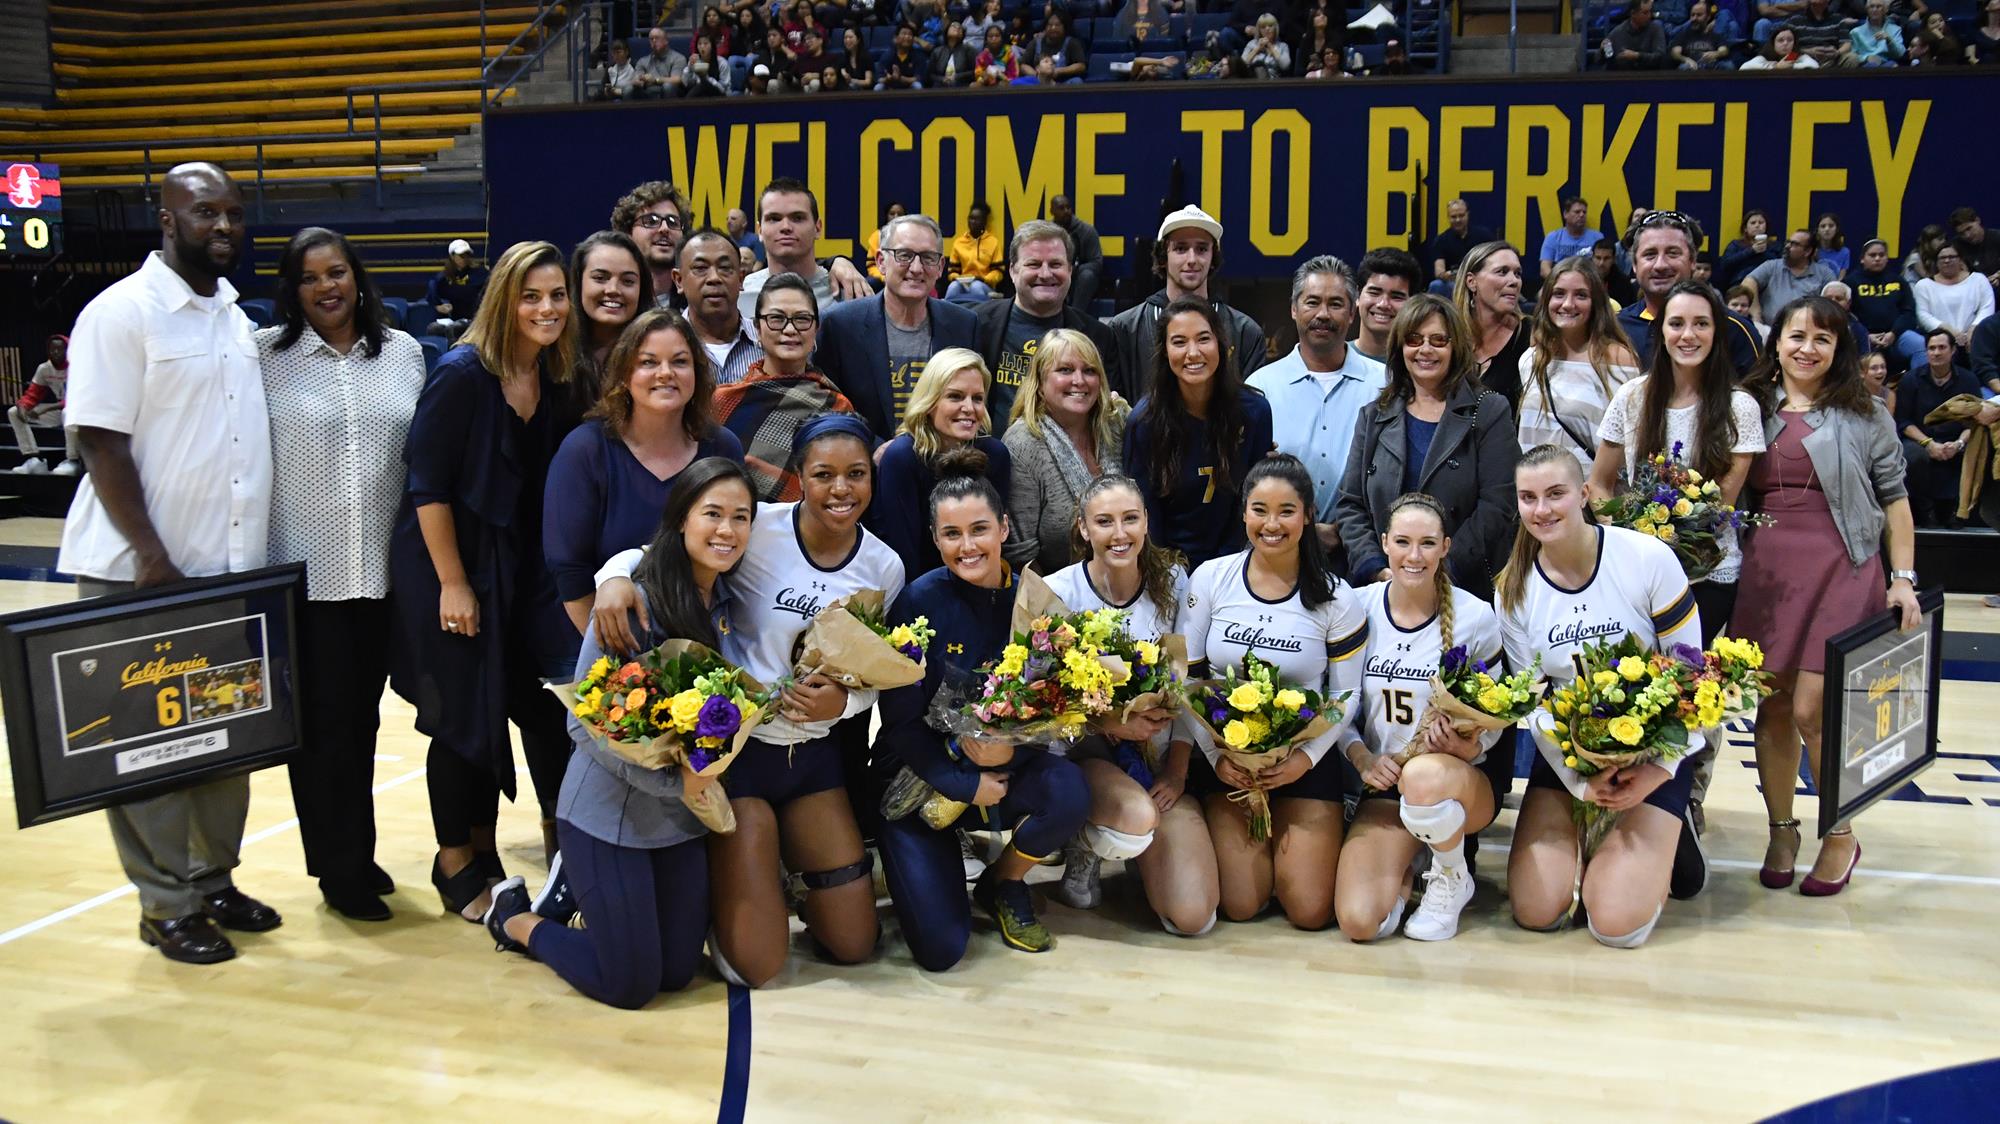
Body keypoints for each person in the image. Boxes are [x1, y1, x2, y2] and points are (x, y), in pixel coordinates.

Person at [589, 418, 905, 988]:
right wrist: (613, 575)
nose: (841, 489)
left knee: (855, 944)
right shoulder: (759, 529)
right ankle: (740, 886)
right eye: (823, 474)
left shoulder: (885, 566)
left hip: (813, 762)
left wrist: (843, 706)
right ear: (799, 479)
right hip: (742, 756)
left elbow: (870, 673)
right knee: (754, 968)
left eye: (856, 475)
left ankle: (783, 879)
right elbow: (668, 547)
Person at [57, 162, 280, 964]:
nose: (222, 226)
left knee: (226, 739)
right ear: (165, 217)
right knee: (147, 751)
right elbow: (100, 443)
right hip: (141, 574)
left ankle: (211, 879)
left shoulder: (230, 315)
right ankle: (164, 905)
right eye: (203, 213)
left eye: (231, 213)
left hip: (227, 573)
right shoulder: (121, 313)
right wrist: (152, 556)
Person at [481, 459, 751, 1007]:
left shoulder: (729, 600)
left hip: (679, 821)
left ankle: (581, 894)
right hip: (609, 816)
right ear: (681, 519)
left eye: (741, 517)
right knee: (629, 986)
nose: (727, 530)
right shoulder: (635, 603)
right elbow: (581, 723)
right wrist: (679, 785)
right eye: (713, 514)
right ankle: (516, 920)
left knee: (676, 974)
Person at [389, 240, 586, 914]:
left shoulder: (554, 377)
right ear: (503, 299)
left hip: (515, 574)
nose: (547, 307)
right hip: (450, 568)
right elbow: (427, 488)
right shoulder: (462, 374)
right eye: (531, 295)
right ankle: (454, 863)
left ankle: (486, 852)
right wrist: (454, 584)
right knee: (459, 718)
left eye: (557, 295)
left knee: (510, 710)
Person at [257, 226, 425, 923]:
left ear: (358, 277)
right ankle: (339, 870)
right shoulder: (264, 359)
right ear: (292, 290)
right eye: (310, 276)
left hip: (381, 578)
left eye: (337, 272)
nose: (327, 287)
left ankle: (351, 850)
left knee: (361, 727)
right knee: (320, 732)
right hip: (304, 576)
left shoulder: (405, 355)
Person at [1737, 296, 1921, 898]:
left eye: (1822, 338)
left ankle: (1839, 831)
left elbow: (1895, 500)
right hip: (1766, 569)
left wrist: (1902, 578)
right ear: (1778, 342)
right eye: (1797, 336)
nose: (1807, 348)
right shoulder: (1750, 405)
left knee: (1814, 708)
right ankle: (1782, 829)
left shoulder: (1866, 412)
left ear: (1839, 348)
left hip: (1844, 562)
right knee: (1773, 706)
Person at [874, 450, 1090, 962]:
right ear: (935, 539)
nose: (967, 546)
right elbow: (900, 723)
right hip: (919, 778)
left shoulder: (1037, 605)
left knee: (1069, 791)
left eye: (979, 529)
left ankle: (1003, 881)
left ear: (1004, 527)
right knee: (941, 949)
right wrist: (964, 782)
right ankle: (940, 857)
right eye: (952, 535)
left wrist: (1006, 757)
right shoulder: (915, 603)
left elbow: (1050, 709)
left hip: (1006, 773)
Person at [1499, 445, 1704, 948]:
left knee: (1615, 925)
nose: (1542, 509)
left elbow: (1695, 677)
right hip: (1572, 757)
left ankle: (1678, 829)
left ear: (1585, 494)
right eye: (1528, 498)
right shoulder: (1513, 591)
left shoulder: (1646, 558)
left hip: (1654, 751)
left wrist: (1658, 770)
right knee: (1536, 912)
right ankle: (1595, 839)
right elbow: (1536, 706)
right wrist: (1578, 782)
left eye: (1555, 494)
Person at [1179, 455, 1368, 930]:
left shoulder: (1337, 597)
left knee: (1308, 911)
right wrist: (1217, 757)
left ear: (1308, 515)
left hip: (1303, 759)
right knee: (1242, 904)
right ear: (1243, 513)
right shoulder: (1210, 579)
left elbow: (1346, 698)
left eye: (1287, 510)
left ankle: (1328, 828)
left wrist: (1303, 761)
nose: (1272, 523)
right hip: (1230, 763)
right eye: (1260, 509)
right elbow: (1189, 680)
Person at [1040, 475, 1216, 926]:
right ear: (1083, 528)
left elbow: (1190, 685)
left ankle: (1138, 849)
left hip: (1158, 758)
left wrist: (1177, 774)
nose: (1119, 534)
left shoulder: (1175, 583)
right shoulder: (1057, 591)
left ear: (1146, 522)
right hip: (1084, 751)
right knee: (1135, 817)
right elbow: (1041, 701)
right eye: (1104, 522)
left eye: (1130, 519)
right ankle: (1085, 840)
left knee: (1192, 916)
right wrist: (1107, 725)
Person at [1335, 493, 1506, 943]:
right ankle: (1412, 862)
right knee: (1357, 921)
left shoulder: (1476, 617)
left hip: (1454, 785)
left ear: (1446, 547)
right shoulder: (1356, 607)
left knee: (1426, 775)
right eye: (1404, 542)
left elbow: (1497, 717)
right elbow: (1336, 703)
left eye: (1428, 544)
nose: (1415, 556)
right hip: (1383, 790)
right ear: (1385, 543)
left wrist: (1470, 746)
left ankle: (1451, 873)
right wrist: (1361, 758)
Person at [544, 307, 745, 654]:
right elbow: (569, 570)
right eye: (649, 362)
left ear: (697, 373)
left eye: (680, 362)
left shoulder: (722, 446)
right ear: (624, 374)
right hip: (601, 643)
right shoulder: (585, 450)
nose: (665, 373)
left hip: (700, 649)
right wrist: (611, 655)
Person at [1337, 294, 1521, 605]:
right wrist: (1378, 568)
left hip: (1466, 590)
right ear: (1400, 347)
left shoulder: (1488, 410)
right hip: (1385, 588)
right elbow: (1351, 504)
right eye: (1414, 339)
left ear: (1456, 347)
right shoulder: (1373, 415)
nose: (1425, 350)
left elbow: (1498, 504)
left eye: (1438, 340)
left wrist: (1435, 570)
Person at [1248, 256, 1388, 553]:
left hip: (1367, 552)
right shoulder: (1260, 388)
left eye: (1336, 304)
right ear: (1294, 309)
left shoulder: (1385, 385)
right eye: (1313, 302)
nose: (1323, 314)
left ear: (1353, 313)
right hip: (1281, 550)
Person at [1123, 297, 1274, 568]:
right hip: (1167, 568)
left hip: (1238, 561)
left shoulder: (1255, 412)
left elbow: (1254, 499)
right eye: (1179, 342)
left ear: (1221, 345)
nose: (1193, 353)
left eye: (1203, 339)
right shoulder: (1144, 421)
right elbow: (1146, 512)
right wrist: (1170, 571)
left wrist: (1225, 565)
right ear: (1165, 351)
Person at [815, 212, 977, 439]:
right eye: (904, 255)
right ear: (881, 261)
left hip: (943, 463)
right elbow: (827, 409)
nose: (917, 268)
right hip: (867, 465)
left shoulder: (964, 324)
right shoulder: (839, 325)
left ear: (940, 267)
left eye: (928, 257)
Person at [714, 273, 861, 502]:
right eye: (776, 318)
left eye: (802, 319)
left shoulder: (837, 408)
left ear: (816, 329)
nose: (790, 330)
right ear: (757, 329)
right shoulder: (722, 402)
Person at [867, 348, 1012, 577]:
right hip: (919, 588)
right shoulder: (902, 457)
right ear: (930, 401)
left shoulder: (996, 454)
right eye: (955, 396)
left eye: (977, 398)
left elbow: (995, 541)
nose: (969, 408)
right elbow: (902, 554)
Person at [971, 219, 1123, 419]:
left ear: (1070, 270)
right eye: (1033, 264)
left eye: (1055, 264)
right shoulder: (976, 324)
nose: (1045, 274)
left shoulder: (1099, 336)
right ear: (1013, 271)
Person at [1106, 206, 1268, 390]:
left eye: (1201, 249)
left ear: (1212, 257)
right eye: (1181, 248)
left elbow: (1253, 410)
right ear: (1162, 257)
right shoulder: (1123, 329)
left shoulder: (1246, 332)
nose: (1192, 259)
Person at [1000, 329, 1121, 575]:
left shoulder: (1117, 423)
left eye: (1089, 370)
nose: (1079, 380)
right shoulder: (1022, 443)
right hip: (1057, 597)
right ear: (1040, 382)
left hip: (1128, 580)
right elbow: (1021, 556)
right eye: (1065, 370)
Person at [1517, 256, 1641, 469]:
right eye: (1559, 294)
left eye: (1581, 295)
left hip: (1589, 497)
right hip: (1532, 496)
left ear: (1596, 303)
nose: (1568, 304)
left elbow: (1631, 443)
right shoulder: (1531, 358)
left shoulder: (1620, 361)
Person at [1620, 210, 1763, 374]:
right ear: (1634, 265)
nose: (1660, 265)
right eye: (1649, 254)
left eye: (1672, 253)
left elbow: (1759, 395)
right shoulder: (1616, 330)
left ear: (1693, 260)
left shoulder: (1733, 329)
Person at [738, 178, 871, 323]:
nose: (786, 227)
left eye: (798, 218)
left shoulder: (849, 290)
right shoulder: (740, 294)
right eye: (774, 219)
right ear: (760, 231)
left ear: (818, 228)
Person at [1896, 328, 1980, 526]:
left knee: (1976, 451)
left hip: (1959, 439)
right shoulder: (1910, 380)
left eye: (1942, 347)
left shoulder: (1968, 380)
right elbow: (1904, 422)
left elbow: (1975, 421)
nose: (1936, 352)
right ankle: (1926, 510)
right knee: (1913, 456)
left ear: (1952, 351)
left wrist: (1959, 443)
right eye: (1931, 348)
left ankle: (1958, 511)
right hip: (1921, 439)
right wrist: (1929, 444)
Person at [676, 229, 763, 388]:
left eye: (724, 267)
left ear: (741, 278)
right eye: (700, 268)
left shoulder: (767, 341)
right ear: (679, 280)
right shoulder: (662, 344)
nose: (714, 278)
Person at [570, 231, 653, 391]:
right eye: (600, 278)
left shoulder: (658, 351)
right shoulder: (553, 352)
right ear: (579, 282)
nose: (613, 290)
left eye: (628, 281)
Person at [1452, 241, 1530, 409]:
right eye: (1502, 272)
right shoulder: (1449, 335)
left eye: (1518, 274)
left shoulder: (1533, 335)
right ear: (1472, 281)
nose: (1514, 281)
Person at [1846, 238, 1923, 372]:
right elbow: (1846, 314)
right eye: (1872, 255)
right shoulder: (1850, 282)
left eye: (1881, 255)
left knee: (1919, 344)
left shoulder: (1899, 281)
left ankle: (1920, 387)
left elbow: (1909, 312)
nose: (1877, 258)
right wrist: (1864, 335)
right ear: (1862, 258)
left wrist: (1893, 333)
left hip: (1896, 335)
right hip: (1863, 337)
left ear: (1887, 258)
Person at [610, 180, 689, 308]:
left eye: (673, 222)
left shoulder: (695, 305)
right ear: (628, 233)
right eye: (651, 221)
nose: (665, 228)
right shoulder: (612, 298)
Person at [9, 333, 77, 475]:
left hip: (79, 413)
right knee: (14, 412)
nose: (56, 352)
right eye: (52, 349)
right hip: (58, 413)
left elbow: (76, 398)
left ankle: (73, 460)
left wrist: (47, 408)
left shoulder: (76, 366)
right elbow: (32, 394)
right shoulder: (44, 369)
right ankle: (33, 459)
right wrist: (23, 406)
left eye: (60, 349)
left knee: (68, 411)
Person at [1744, 230, 1839, 325]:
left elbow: (1836, 300)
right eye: (1788, 242)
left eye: (1794, 244)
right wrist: (1756, 313)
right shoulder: (1772, 266)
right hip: (1769, 330)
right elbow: (1748, 282)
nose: (1787, 246)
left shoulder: (1824, 274)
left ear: (1807, 251)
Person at [1915, 244, 1996, 354]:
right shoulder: (1923, 285)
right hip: (1939, 342)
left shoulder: (1979, 280)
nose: (1947, 260)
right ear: (1936, 261)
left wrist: (1973, 330)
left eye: (1951, 257)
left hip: (1975, 339)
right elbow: (1923, 315)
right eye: (1942, 258)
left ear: (1960, 259)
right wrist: (1950, 332)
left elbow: (1987, 307)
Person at [1355, 248, 1425, 363]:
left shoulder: (1422, 364)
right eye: (1374, 293)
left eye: (1396, 296)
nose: (1383, 304)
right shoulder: (1332, 360)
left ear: (1412, 303)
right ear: (1357, 296)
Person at [1049, 194, 1104, 312]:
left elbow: (1097, 262)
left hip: (1078, 276)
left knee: (1087, 276)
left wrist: (1074, 269)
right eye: (1061, 208)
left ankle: (1075, 317)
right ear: (1052, 211)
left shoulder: (1087, 231)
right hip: (1055, 273)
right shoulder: (1048, 232)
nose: (1066, 211)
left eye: (1068, 207)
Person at [424, 237, 487, 338]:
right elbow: (432, 298)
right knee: (434, 328)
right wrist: (439, 307)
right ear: (452, 256)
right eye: (462, 255)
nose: (465, 258)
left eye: (468, 255)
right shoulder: (443, 278)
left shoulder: (480, 274)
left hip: (475, 319)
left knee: (456, 329)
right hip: (451, 319)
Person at [944, 202, 1004, 306]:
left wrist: (984, 279)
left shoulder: (993, 242)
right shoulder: (959, 242)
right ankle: (946, 317)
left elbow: (998, 272)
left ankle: (980, 318)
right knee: (953, 287)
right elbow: (952, 271)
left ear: (984, 222)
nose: (973, 222)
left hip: (985, 284)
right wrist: (956, 277)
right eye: (971, 218)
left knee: (976, 286)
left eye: (977, 219)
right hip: (963, 282)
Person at [1428, 200, 1493, 295]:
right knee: (1436, 285)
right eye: (1454, 217)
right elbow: (1439, 272)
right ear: (1448, 217)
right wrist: (1452, 275)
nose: (1458, 220)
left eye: (1461, 215)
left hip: (1480, 278)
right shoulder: (1441, 240)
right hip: (1454, 282)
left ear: (1467, 214)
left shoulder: (1484, 236)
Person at [1539, 197, 1607, 277]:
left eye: (1584, 212)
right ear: (1565, 214)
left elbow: (1602, 267)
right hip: (1559, 281)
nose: (1581, 215)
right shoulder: (1553, 237)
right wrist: (1560, 283)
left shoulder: (1597, 237)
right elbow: (1544, 269)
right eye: (1577, 212)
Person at [1718, 209, 1778, 290]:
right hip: (1740, 284)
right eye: (1753, 223)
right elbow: (1725, 264)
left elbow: (1780, 265)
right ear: (1745, 228)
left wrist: (1764, 252)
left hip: (1768, 286)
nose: (1757, 225)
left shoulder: (1774, 245)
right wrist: (1751, 251)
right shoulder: (1736, 244)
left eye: (1761, 223)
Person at [1605, 0, 1672, 69]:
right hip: (1625, 76)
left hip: (1651, 76)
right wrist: (1603, 50)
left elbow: (1661, 57)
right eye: (1645, 13)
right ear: (1633, 13)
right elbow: (1605, 59)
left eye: (1650, 12)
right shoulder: (1617, 32)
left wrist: (1638, 56)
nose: (1649, 16)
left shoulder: (1656, 28)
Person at [1672, 0, 1737, 68]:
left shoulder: (1715, 35)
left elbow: (1724, 50)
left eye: (1699, 15)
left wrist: (1716, 54)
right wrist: (1686, 59)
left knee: (1728, 65)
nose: (1694, 18)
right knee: (1684, 67)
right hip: (1692, 65)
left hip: (1712, 66)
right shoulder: (1683, 35)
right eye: (1692, 15)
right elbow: (1675, 52)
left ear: (1708, 17)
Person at [1027, 11, 1088, 81]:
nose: (1053, 28)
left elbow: (1081, 66)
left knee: (1077, 81)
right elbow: (1023, 64)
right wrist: (1037, 75)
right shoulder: (1035, 42)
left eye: (1057, 25)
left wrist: (1058, 71)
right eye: (1050, 25)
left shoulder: (1072, 43)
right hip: (1038, 83)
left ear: (1064, 27)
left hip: (1063, 84)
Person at [632, 26, 689, 98]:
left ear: (666, 41)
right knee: (629, 89)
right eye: (651, 39)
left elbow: (677, 79)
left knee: (667, 86)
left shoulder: (678, 58)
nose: (654, 41)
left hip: (670, 92)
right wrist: (640, 80)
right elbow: (635, 79)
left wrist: (655, 80)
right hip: (648, 93)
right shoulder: (642, 61)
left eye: (657, 38)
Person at [1952, 205, 2000, 288]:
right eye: (1961, 233)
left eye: (1969, 228)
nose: (1967, 235)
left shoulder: (1997, 237)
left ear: (1978, 220)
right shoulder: (1956, 246)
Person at [1847, 0, 1905, 66]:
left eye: (1878, 6)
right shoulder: (1856, 32)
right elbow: (1853, 56)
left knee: (1893, 65)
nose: (1874, 9)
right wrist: (1866, 58)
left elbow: (1900, 54)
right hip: (1865, 65)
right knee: (1871, 65)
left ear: (1886, 10)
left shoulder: (1895, 29)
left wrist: (1889, 40)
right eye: (1871, 6)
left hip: (1886, 63)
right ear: (1867, 10)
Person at [1739, 25, 1821, 67]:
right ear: (1773, 43)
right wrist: (1776, 67)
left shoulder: (1799, 57)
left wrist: (1790, 66)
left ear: (1794, 43)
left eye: (1789, 40)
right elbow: (1744, 67)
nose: (1785, 43)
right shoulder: (1764, 58)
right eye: (1780, 40)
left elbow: (1814, 66)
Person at [878, 22, 929, 89]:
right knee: (878, 87)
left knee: (917, 86)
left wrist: (900, 78)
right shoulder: (887, 55)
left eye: (910, 34)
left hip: (909, 87)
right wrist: (889, 78)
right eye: (904, 34)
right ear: (896, 38)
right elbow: (879, 79)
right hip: (891, 87)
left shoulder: (918, 56)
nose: (907, 37)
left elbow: (919, 78)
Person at [927, 18, 977, 85]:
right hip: (940, 86)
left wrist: (957, 77)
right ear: (946, 31)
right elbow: (930, 75)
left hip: (962, 86)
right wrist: (942, 79)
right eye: (953, 26)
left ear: (963, 34)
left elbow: (974, 71)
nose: (957, 28)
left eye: (960, 27)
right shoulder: (937, 51)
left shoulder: (969, 50)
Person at [1240, 13, 1291, 78]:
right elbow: (1242, 66)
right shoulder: (1251, 44)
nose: (1267, 29)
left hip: (1274, 83)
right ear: (1259, 30)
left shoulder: (1283, 46)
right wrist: (1257, 48)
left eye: (1270, 26)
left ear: (1275, 28)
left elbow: (1285, 66)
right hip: (1253, 82)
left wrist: (1271, 47)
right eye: (1263, 27)